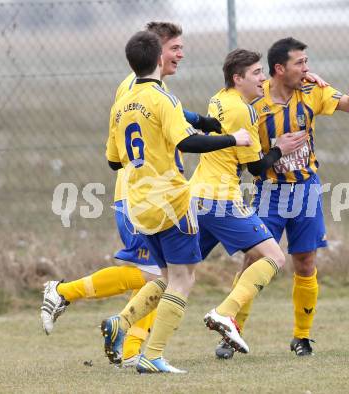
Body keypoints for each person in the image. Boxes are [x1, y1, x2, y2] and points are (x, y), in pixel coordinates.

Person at [40, 22, 221, 368]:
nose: (181, 55)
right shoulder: (137, 89)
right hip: (141, 195)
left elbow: (173, 115)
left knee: (157, 275)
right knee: (154, 275)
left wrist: (201, 119)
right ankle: (66, 295)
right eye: (175, 48)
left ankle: (130, 343)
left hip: (145, 195)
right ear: (156, 51)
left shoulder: (151, 87)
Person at [101, 30, 252, 373]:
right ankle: (153, 356)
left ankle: (121, 323)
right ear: (158, 59)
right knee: (184, 280)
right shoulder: (162, 99)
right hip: (170, 200)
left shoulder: (122, 102)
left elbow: (113, 161)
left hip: (138, 203)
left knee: (167, 276)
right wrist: (234, 138)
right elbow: (187, 144)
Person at [218, 37, 349, 359]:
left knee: (305, 262)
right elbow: (248, 160)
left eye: (307, 61)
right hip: (269, 192)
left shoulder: (312, 91)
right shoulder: (254, 104)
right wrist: (276, 150)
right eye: (300, 63)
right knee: (254, 260)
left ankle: (302, 337)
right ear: (279, 69)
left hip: (306, 190)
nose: (307, 68)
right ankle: (231, 331)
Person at [187, 49, 302, 353]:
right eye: (256, 73)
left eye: (264, 72)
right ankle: (224, 313)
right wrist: (279, 148)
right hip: (221, 198)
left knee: (174, 271)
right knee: (274, 257)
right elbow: (254, 168)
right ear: (238, 78)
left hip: (195, 195)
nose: (263, 79)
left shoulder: (218, 98)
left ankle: (122, 323)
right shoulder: (244, 111)